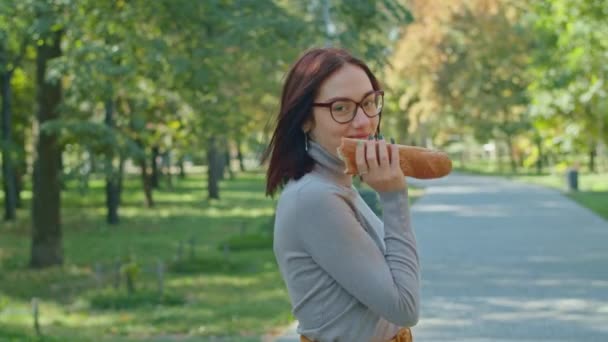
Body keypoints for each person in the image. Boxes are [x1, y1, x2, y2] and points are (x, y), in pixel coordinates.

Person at [262, 47, 420, 342]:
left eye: (369, 102)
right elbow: (404, 308)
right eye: (341, 107)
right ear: (305, 119)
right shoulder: (314, 198)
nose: (363, 122)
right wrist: (396, 198)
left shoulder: (336, 183)